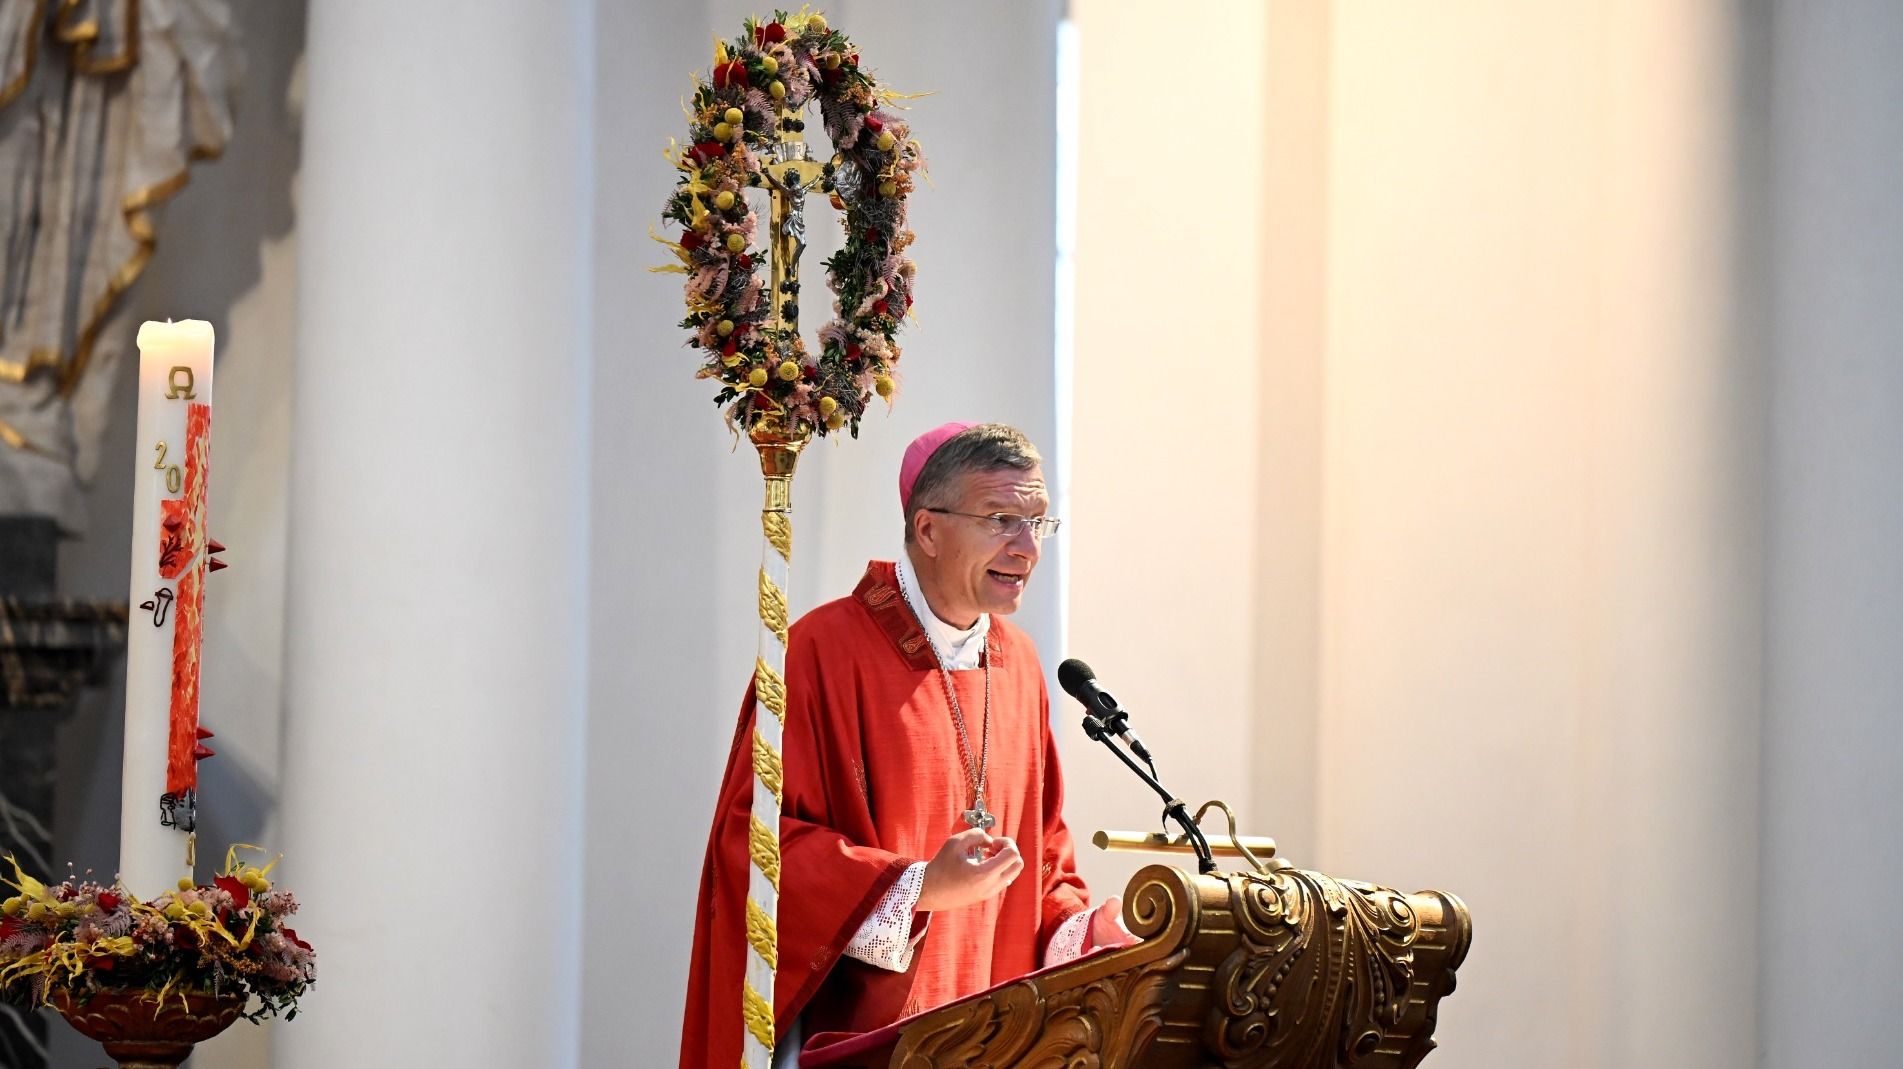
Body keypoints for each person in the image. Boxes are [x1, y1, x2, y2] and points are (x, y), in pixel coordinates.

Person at [679, 422, 1138, 1068]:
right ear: (927, 529)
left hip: (997, 1040)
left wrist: (1088, 929)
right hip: (869, 1043)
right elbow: (754, 851)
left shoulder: (1021, 666)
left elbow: (1044, 861)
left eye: (1039, 521)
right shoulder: (818, 654)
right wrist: (917, 885)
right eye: (1002, 518)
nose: (1028, 548)